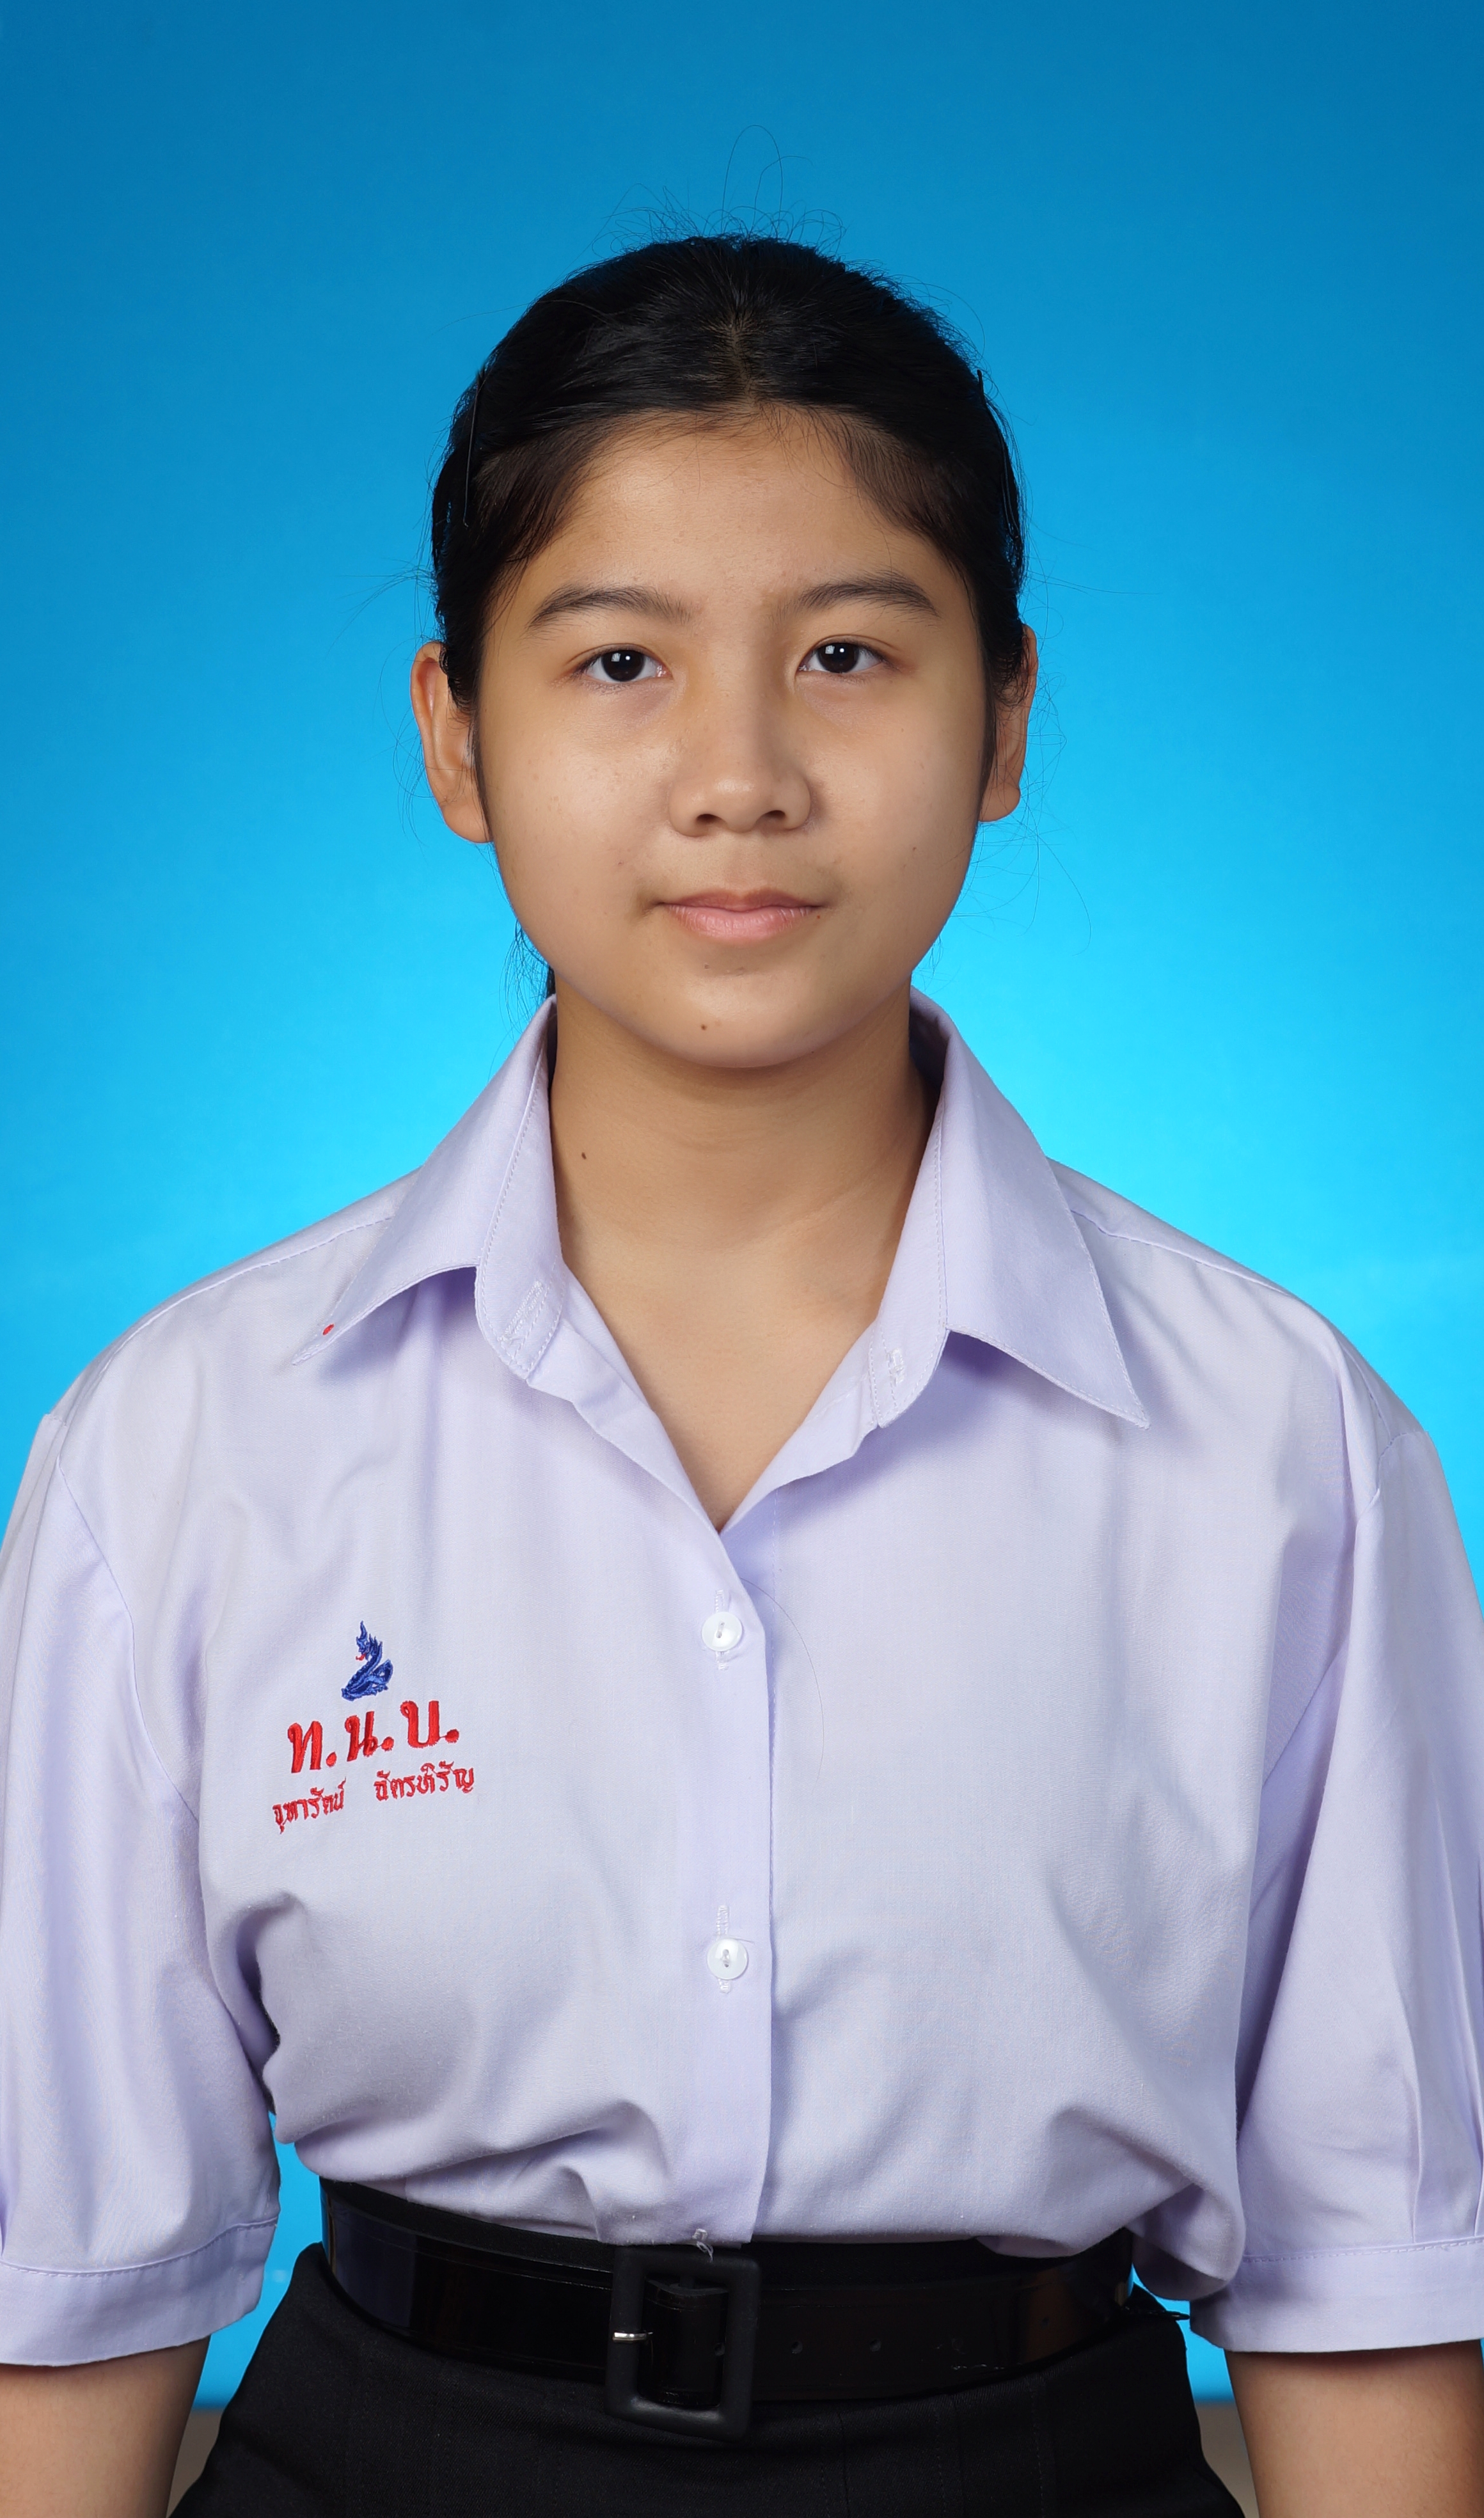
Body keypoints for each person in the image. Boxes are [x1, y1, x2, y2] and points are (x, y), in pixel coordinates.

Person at [1, 234, 1482, 2518]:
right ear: (455, 737)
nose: (739, 776)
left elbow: (1370, 2283)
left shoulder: (1285, 1450)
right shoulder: (186, 1446)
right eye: (620, 661)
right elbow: (72, 2295)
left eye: (846, 656)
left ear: (1003, 720)